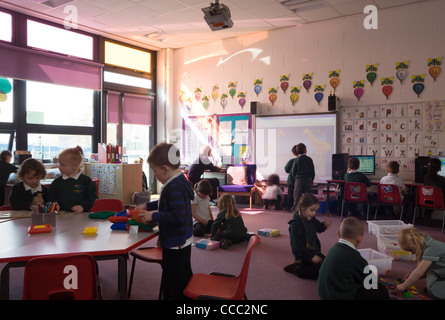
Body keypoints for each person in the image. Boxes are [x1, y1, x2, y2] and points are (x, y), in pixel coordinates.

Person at [137, 143, 194, 300]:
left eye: (155, 171)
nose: (154, 175)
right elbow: (166, 202)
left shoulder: (174, 187)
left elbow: (178, 216)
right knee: (180, 278)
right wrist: (148, 205)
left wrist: (154, 216)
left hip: (176, 242)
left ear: (165, 169)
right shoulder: (177, 181)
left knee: (175, 284)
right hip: (180, 240)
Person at [318, 217, 389, 300]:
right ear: (360, 238)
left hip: (325, 295)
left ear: (338, 233)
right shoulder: (354, 256)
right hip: (341, 296)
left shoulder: (333, 249)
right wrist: (377, 274)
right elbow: (371, 282)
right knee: (381, 290)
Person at [285, 193, 331, 279]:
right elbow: (297, 246)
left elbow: (318, 227)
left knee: (329, 264)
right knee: (321, 272)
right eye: (312, 210)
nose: (314, 213)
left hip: (314, 253)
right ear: (302, 207)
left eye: (315, 211)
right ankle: (298, 269)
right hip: (303, 258)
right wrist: (310, 256)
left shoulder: (311, 219)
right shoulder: (295, 225)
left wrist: (324, 225)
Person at [396, 227, 445, 300]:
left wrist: (403, 286)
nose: (412, 253)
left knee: (434, 290)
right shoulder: (428, 243)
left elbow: (420, 271)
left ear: (413, 242)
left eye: (410, 249)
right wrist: (411, 277)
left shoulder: (431, 249)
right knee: (430, 273)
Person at [47, 146, 97, 214]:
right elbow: (50, 195)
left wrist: (83, 206)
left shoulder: (86, 181)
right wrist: (54, 202)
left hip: (81, 216)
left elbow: (92, 197)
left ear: (75, 165)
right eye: (59, 163)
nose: (59, 166)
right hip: (61, 216)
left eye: (63, 165)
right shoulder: (57, 182)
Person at [290, 143, 315, 211]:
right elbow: (312, 170)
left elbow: (293, 171)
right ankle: (308, 208)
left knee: (297, 195)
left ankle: (296, 208)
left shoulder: (296, 160)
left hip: (298, 179)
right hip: (307, 179)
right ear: (305, 150)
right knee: (307, 195)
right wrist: (312, 179)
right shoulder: (309, 159)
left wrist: (294, 179)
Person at [423, 158, 445, 224]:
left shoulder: (425, 177)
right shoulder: (442, 179)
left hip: (427, 201)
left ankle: (427, 216)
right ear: (438, 168)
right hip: (440, 201)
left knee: (430, 197)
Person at [284, 145, 298, 211]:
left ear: (293, 153)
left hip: (291, 180)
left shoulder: (291, 161)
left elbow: (286, 169)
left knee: (290, 194)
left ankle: (289, 207)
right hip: (299, 181)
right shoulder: (303, 160)